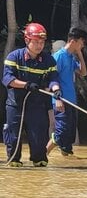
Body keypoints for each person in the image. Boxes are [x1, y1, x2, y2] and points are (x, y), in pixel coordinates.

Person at [3, 22, 58, 167]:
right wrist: (26, 85)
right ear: (27, 40)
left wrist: (56, 90)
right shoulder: (14, 57)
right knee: (13, 136)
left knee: (39, 137)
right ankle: (14, 161)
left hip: (37, 106)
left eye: (42, 42)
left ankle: (39, 163)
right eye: (36, 42)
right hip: (16, 105)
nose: (40, 45)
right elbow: (7, 79)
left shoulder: (48, 60)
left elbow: (53, 79)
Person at [46, 27, 87, 157]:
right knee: (61, 132)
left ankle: (67, 161)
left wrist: (80, 54)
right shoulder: (58, 57)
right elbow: (52, 78)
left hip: (71, 100)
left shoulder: (71, 57)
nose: (83, 45)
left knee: (69, 135)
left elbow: (84, 73)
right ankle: (42, 154)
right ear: (73, 41)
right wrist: (57, 98)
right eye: (82, 42)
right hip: (61, 100)